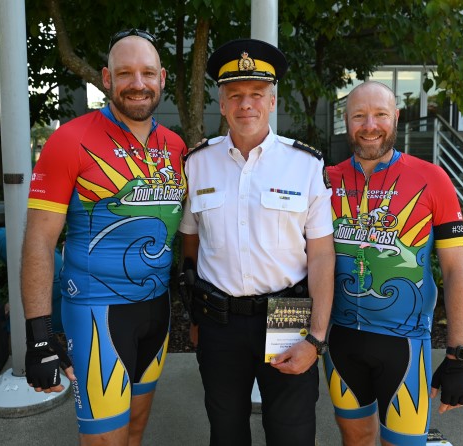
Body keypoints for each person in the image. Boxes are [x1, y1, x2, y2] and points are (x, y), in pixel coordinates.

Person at [21, 28, 187, 446]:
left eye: (147, 73)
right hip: (96, 312)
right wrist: (40, 337)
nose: (138, 83)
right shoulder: (69, 139)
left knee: (134, 430)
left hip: (157, 311)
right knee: (104, 440)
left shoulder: (176, 147)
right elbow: (39, 242)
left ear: (162, 78)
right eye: (125, 72)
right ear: (106, 78)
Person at [179, 38, 335, 446]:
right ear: (222, 102)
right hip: (218, 319)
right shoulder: (197, 164)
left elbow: (320, 256)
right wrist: (196, 316)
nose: (245, 104)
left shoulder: (305, 165)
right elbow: (190, 244)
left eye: (256, 95)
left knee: (292, 431)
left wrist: (315, 339)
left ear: (272, 102)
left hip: (287, 313)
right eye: (235, 95)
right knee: (226, 430)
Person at [323, 81, 463, 446]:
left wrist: (459, 356)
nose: (370, 125)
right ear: (345, 120)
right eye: (359, 115)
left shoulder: (432, 178)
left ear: (396, 117)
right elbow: (299, 262)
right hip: (340, 341)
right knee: (354, 439)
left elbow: (456, 272)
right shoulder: (325, 180)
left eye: (380, 115)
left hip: (404, 346)